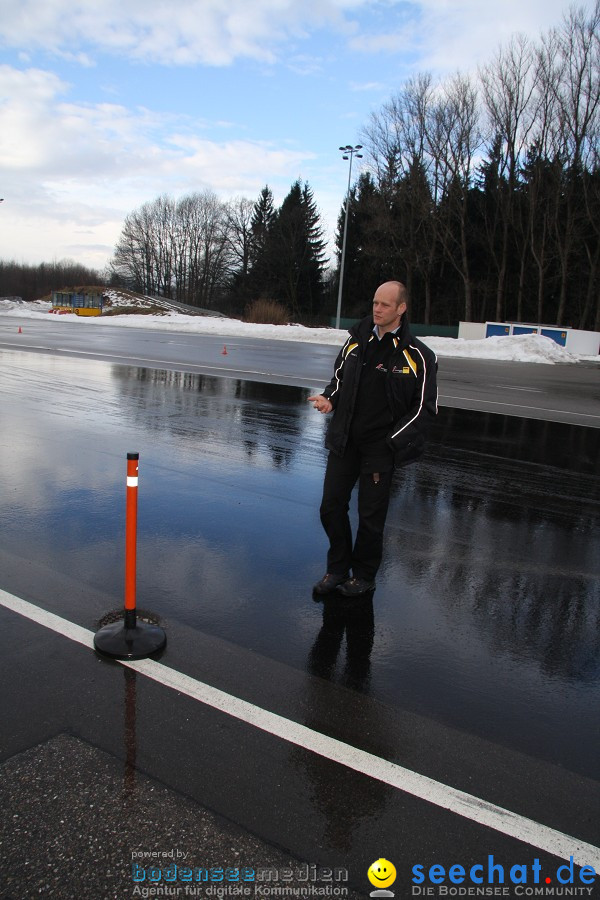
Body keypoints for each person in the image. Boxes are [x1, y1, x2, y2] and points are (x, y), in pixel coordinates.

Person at [308, 281, 438, 597]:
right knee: (330, 507)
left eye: (385, 305)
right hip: (346, 441)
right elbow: (338, 380)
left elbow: (424, 409)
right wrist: (329, 399)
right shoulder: (355, 341)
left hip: (381, 450)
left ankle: (363, 575)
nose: (377, 309)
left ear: (401, 309)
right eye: (375, 303)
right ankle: (337, 568)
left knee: (370, 518)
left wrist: (392, 442)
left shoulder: (419, 356)